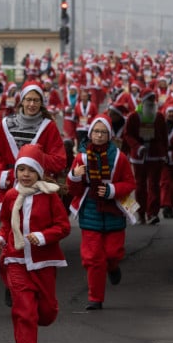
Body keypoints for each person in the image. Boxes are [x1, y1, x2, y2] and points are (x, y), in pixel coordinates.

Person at [0, 144, 70, 343]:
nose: (25, 174)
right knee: (24, 311)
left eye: (30, 170)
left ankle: (44, 314)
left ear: (39, 172)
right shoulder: (10, 196)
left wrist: (43, 236)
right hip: (15, 259)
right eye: (21, 169)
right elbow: (6, 224)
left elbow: (64, 227)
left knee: (45, 313)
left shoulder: (49, 195)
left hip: (43, 261)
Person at [67, 116, 137, 310]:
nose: (98, 135)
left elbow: (130, 183)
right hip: (90, 210)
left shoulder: (119, 158)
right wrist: (74, 176)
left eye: (103, 132)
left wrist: (111, 190)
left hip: (114, 210)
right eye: (96, 132)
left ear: (110, 135)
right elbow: (73, 190)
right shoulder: (80, 158)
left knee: (112, 253)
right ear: (90, 134)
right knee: (92, 258)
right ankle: (95, 298)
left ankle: (113, 267)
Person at [122, 89, 168, 224]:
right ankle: (141, 213)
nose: (151, 102)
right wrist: (136, 146)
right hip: (139, 155)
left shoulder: (159, 116)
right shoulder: (134, 116)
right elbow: (127, 134)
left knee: (154, 184)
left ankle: (153, 213)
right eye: (148, 99)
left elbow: (164, 136)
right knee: (140, 185)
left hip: (155, 155)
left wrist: (165, 153)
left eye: (153, 100)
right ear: (142, 101)